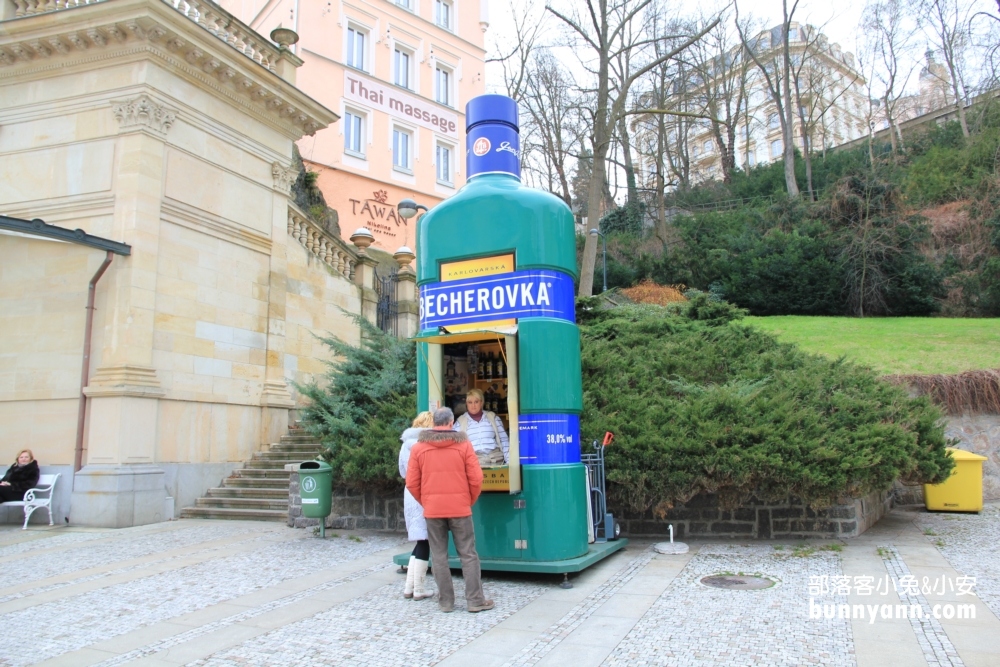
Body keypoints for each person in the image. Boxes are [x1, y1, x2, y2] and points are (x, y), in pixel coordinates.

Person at [406, 407, 494, 614]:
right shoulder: (463, 445)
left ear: (434, 422)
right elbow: (476, 478)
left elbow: (411, 483)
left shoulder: (419, 448)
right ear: (451, 422)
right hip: (460, 508)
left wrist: (426, 501)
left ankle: (446, 602)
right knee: (468, 554)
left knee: (438, 556)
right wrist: (468, 500)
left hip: (433, 510)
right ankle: (475, 600)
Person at [398, 411, 435, 600]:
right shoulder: (426, 445)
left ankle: (409, 587)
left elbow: (402, 471)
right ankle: (419, 589)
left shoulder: (405, 445)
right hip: (423, 492)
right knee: (424, 540)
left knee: (420, 539)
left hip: (409, 493)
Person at [455, 388, 509, 466]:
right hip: (472, 464)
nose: (473, 405)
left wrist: (508, 462)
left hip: (496, 461)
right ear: (466, 404)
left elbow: (504, 440)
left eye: (476, 402)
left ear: (481, 402)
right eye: (470, 402)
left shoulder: (492, 417)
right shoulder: (460, 422)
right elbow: (454, 445)